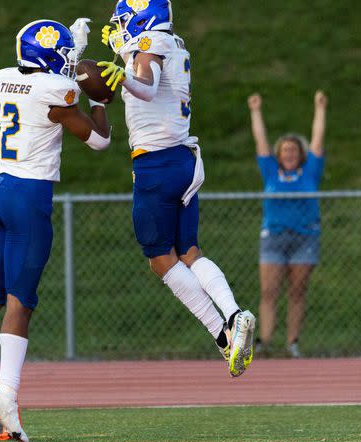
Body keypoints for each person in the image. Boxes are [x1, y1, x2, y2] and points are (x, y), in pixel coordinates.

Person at [0, 18, 110, 442]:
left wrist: (72, 54)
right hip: (29, 196)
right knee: (20, 304)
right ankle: (6, 394)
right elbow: (99, 141)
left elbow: (45, 79)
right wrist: (101, 100)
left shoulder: (4, 79)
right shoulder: (56, 93)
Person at [97, 0, 256, 377]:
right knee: (189, 251)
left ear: (142, 18)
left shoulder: (150, 42)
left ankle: (221, 335)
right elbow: (151, 69)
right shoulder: (175, 42)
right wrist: (125, 52)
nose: (122, 27)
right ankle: (234, 314)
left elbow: (148, 86)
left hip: (156, 162)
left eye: (126, 21)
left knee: (160, 258)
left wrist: (123, 74)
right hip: (184, 158)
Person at [248, 91, 328, 358]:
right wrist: (256, 111)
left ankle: (293, 342)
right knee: (269, 291)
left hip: (305, 237)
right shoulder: (271, 170)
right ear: (279, 154)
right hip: (274, 236)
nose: (290, 153)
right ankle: (265, 342)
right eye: (285, 150)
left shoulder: (311, 172)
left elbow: (318, 140)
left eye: (294, 150)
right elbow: (260, 141)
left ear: (301, 154)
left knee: (297, 291)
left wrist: (320, 108)